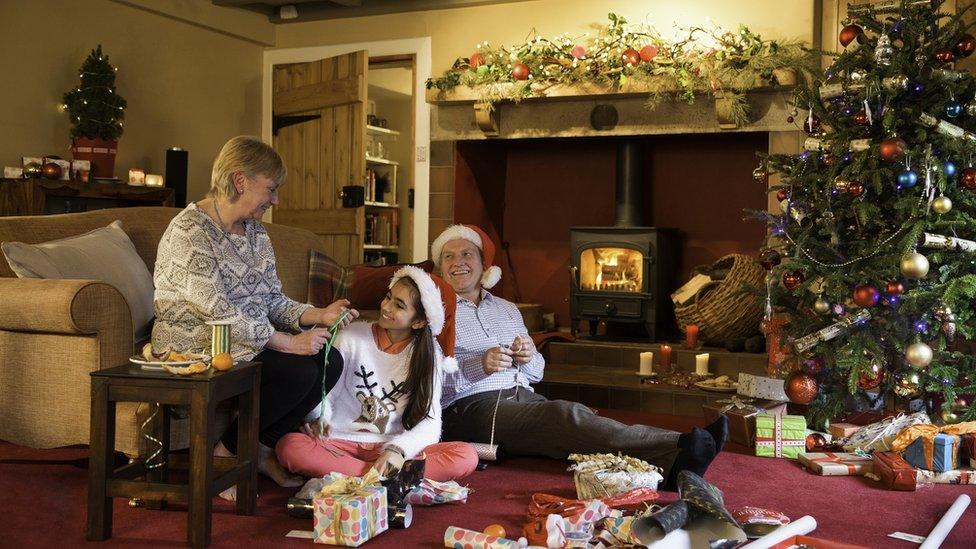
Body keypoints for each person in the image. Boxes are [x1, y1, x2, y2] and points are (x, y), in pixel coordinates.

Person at [432, 224, 728, 490]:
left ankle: (671, 464)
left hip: (521, 396)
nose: (458, 262)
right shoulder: (433, 314)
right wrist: (478, 365)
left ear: (484, 264)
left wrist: (528, 356)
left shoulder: (508, 309)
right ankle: (681, 445)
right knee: (562, 417)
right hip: (470, 410)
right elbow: (425, 383)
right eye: (449, 256)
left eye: (467, 254)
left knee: (576, 415)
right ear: (439, 267)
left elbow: (537, 373)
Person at [152, 136, 360, 495]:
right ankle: (226, 455)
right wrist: (287, 342)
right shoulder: (188, 231)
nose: (275, 200)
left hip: (248, 342)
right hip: (199, 341)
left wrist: (317, 315)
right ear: (240, 181)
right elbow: (216, 308)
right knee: (296, 371)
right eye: (272, 188)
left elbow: (272, 299)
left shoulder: (256, 233)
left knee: (331, 363)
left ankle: (261, 451)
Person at [276, 266, 478, 482]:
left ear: (419, 322)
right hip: (339, 441)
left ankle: (362, 479)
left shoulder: (430, 357)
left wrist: (397, 451)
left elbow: (430, 422)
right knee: (289, 447)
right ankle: (388, 481)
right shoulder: (350, 337)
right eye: (388, 297)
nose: (386, 307)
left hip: (391, 447)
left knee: (465, 456)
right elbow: (326, 393)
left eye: (399, 306)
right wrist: (319, 417)